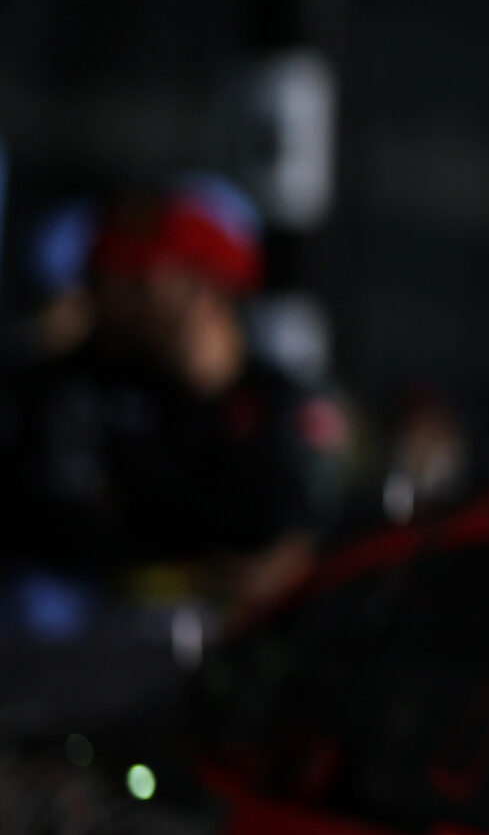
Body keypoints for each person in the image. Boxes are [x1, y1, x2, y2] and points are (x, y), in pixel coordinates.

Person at [0, 177, 327, 621]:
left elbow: (282, 539)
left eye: (135, 281)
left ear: (197, 289)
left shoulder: (269, 406)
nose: (104, 292)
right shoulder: (73, 374)